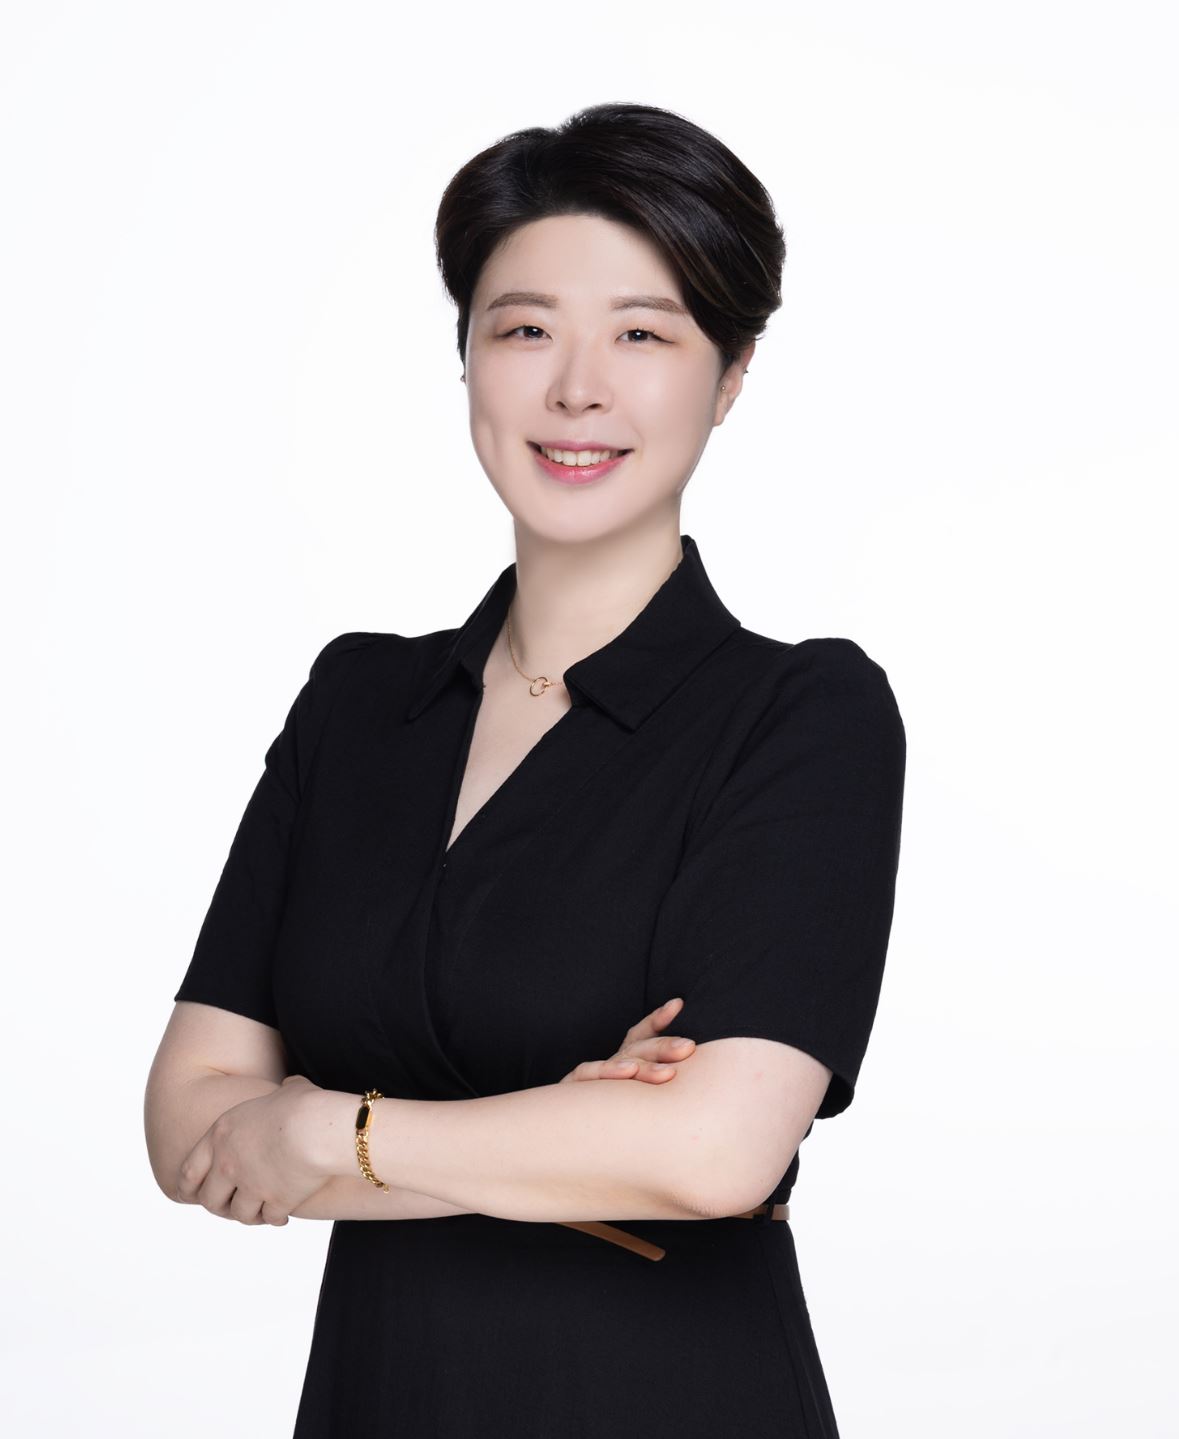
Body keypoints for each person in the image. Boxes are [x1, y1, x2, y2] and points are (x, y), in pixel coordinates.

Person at [144, 101, 907, 1437]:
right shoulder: (358, 705)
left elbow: (718, 1151)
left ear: (730, 377)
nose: (578, 390)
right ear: (467, 360)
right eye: (525, 328)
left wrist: (329, 1131)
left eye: (643, 334)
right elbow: (187, 1126)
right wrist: (563, 1128)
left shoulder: (800, 716)